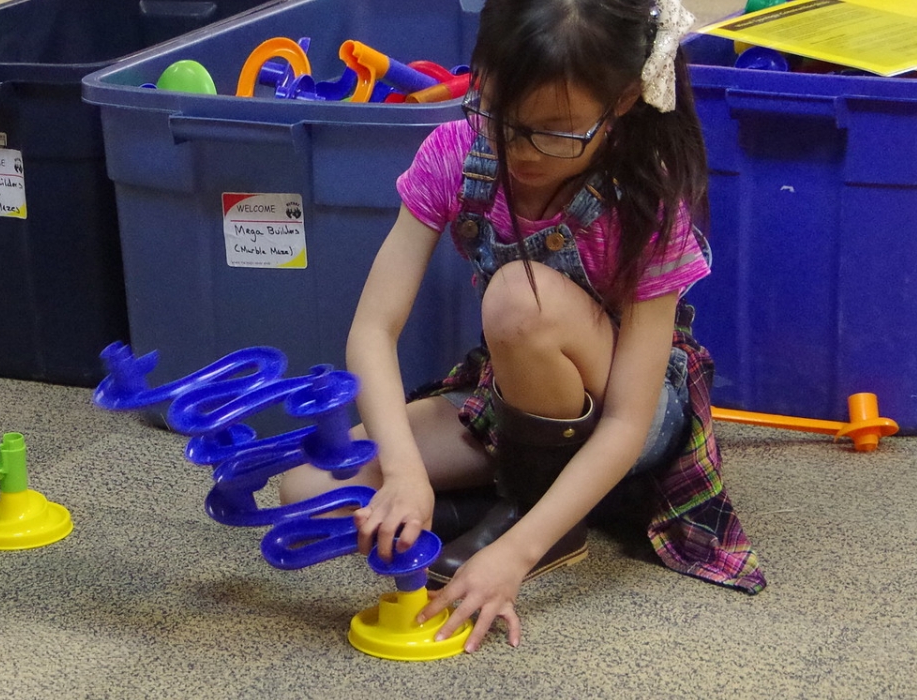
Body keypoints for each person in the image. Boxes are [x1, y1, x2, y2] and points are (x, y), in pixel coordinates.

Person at [278, 0, 765, 652]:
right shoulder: (455, 154)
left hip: (638, 412)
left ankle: (538, 523)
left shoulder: (645, 200)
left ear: (622, 100)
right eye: (500, 116)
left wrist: (516, 555)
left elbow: (627, 422)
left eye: (555, 132)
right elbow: (372, 330)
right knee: (306, 490)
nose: (519, 150)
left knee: (518, 300)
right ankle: (503, 503)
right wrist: (404, 473)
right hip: (513, 396)